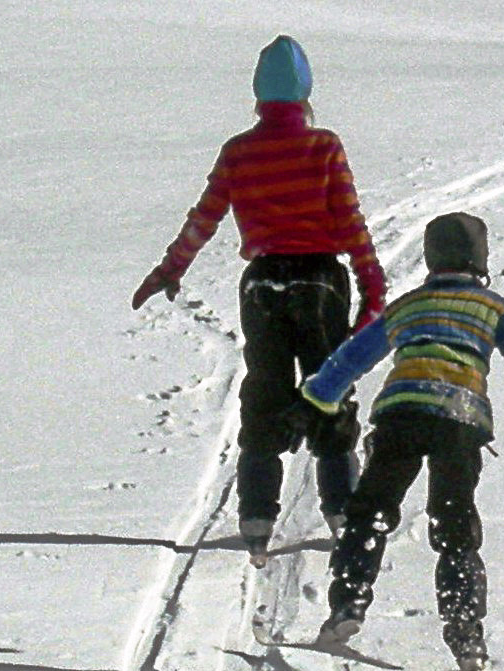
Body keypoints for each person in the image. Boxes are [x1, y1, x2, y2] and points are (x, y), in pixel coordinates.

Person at [283, 212, 504, 671]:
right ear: (480, 259)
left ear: (431, 257)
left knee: (369, 512)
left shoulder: (407, 307)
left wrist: (314, 399)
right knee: (455, 527)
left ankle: (347, 605)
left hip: (401, 414)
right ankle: (466, 635)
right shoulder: (492, 309)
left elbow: (351, 358)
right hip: (460, 420)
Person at [131, 35, 388, 567]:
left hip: (262, 285)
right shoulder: (324, 148)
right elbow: (350, 220)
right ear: (306, 94)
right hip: (321, 282)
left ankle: (255, 519)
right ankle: (342, 512)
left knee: (264, 393)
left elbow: (204, 217)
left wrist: (171, 268)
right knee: (329, 389)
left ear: (258, 96)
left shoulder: (238, 152)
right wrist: (372, 287)